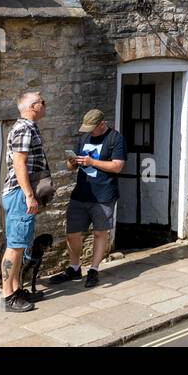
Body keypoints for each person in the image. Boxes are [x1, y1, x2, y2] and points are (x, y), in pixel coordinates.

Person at [51, 109, 126, 289]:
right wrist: (72, 162)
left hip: (104, 195)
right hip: (81, 193)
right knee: (72, 232)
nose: (90, 132)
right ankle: (74, 267)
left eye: (92, 128)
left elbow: (117, 166)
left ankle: (93, 269)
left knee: (100, 232)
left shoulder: (115, 139)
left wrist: (92, 162)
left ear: (102, 124)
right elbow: (71, 167)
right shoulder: (84, 138)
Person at [0, 90, 49, 312]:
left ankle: (16, 288)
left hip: (23, 194)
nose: (45, 105)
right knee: (15, 245)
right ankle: (7, 295)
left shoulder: (29, 128)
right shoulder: (23, 129)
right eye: (42, 102)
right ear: (32, 107)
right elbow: (19, 164)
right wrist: (29, 195)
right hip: (20, 194)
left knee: (21, 245)